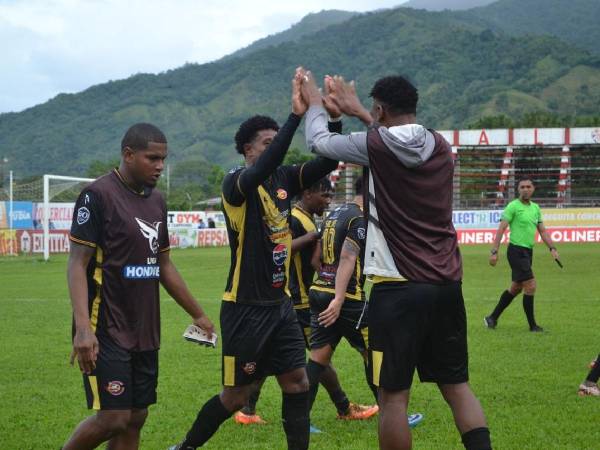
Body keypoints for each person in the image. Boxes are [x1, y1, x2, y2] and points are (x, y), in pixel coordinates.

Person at [301, 70, 492, 450]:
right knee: (456, 387)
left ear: (378, 108)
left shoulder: (374, 145)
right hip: (447, 286)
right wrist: (362, 112)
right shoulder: (440, 145)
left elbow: (318, 141)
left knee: (392, 398)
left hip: (397, 288)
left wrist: (317, 105)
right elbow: (394, 138)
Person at [170, 69, 338, 450]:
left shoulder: (283, 177)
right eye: (266, 141)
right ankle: (187, 447)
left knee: (297, 381)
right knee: (234, 397)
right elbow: (265, 165)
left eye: (273, 140)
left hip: (279, 306)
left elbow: (327, 163)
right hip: (244, 307)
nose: (273, 146)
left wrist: (333, 117)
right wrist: (295, 117)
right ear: (247, 149)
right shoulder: (236, 182)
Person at [62, 123, 215, 450]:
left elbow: (163, 265)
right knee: (113, 418)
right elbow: (77, 263)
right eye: (152, 158)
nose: (160, 166)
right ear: (128, 155)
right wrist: (83, 329)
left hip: (145, 328)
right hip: (105, 327)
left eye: (164, 159)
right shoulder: (98, 195)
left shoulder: (157, 200)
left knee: (135, 417)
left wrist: (199, 314)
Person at [306, 176, 380, 421]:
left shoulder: (335, 213)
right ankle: (392, 413)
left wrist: (328, 283)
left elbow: (316, 259)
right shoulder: (359, 217)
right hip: (346, 298)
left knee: (318, 358)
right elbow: (348, 258)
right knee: (376, 351)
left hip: (319, 290)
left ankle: (298, 419)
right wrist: (338, 298)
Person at [485, 178, 560, 332]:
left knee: (516, 288)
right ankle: (533, 326)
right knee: (531, 285)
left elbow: (543, 231)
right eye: (522, 187)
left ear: (533, 189)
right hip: (516, 251)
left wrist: (552, 248)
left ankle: (491, 318)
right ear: (518, 189)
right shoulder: (513, 206)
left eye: (528, 186)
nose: (525, 189)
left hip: (528, 252)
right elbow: (501, 229)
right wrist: (494, 251)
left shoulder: (536, 208)